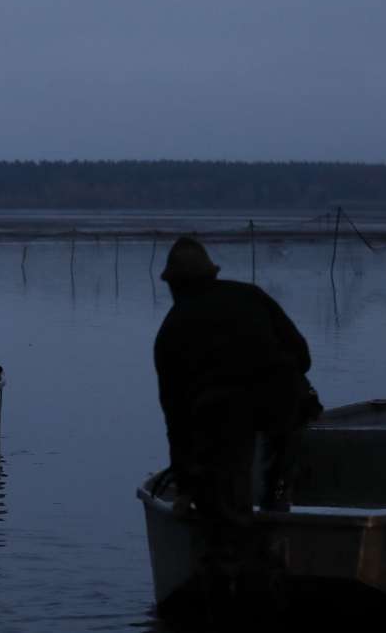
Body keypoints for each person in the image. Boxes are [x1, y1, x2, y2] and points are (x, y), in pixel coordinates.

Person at [152, 236, 318, 618]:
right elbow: (303, 356)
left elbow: (176, 419)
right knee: (274, 471)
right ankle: (276, 516)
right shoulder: (251, 296)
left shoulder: (171, 332)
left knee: (225, 505)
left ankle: (230, 582)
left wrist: (186, 484)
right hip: (284, 407)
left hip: (224, 419)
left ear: (173, 285)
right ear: (212, 274)